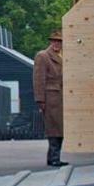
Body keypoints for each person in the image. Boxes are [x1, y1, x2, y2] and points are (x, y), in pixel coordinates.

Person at [33, 30, 67, 167]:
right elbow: (38, 79)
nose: (56, 44)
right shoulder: (43, 56)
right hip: (51, 97)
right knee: (54, 129)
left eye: (59, 41)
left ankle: (54, 157)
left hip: (62, 96)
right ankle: (54, 158)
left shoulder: (64, 55)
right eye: (54, 41)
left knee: (60, 129)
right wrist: (40, 99)